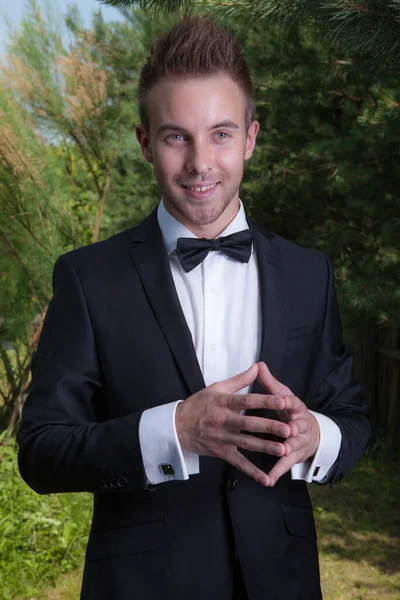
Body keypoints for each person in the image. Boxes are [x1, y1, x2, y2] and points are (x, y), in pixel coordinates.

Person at [17, 16, 370, 600]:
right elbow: (42, 450)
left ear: (252, 138)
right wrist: (174, 430)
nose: (200, 162)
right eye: (177, 135)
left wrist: (317, 438)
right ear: (144, 143)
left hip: (283, 582)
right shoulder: (87, 277)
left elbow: (352, 418)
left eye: (222, 134)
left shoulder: (312, 273)